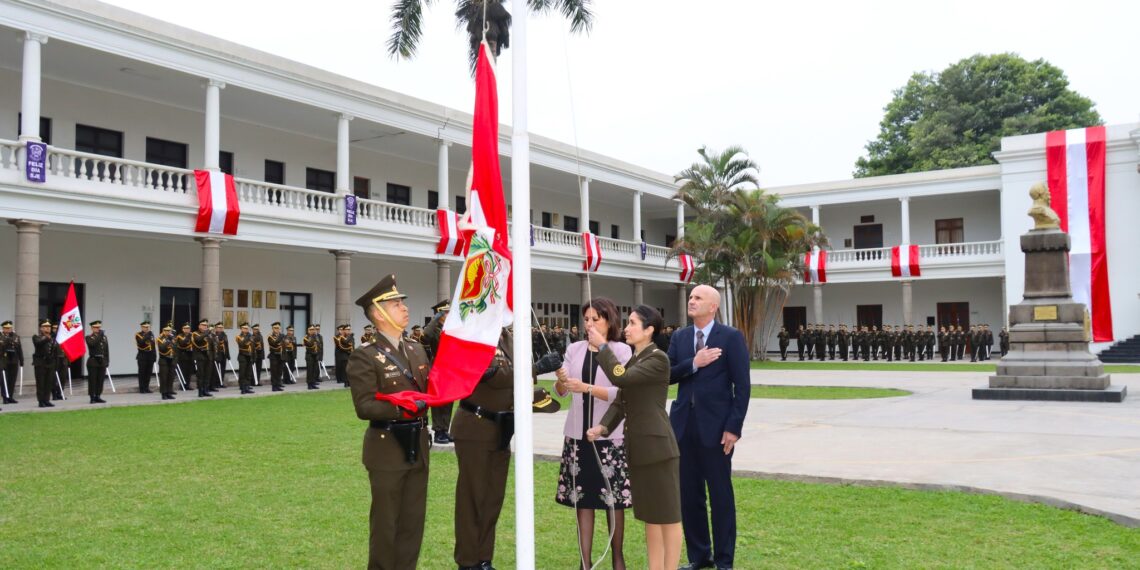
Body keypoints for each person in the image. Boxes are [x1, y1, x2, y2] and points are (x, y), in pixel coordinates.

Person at [451, 329, 562, 570]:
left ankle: (483, 558)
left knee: (493, 498)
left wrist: (533, 377)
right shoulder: (476, 334)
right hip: (475, 427)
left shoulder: (510, 337)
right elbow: (491, 376)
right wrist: (537, 368)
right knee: (472, 497)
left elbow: (513, 379)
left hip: (501, 428)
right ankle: (467, 561)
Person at [346, 274, 432, 570]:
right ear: (378, 313)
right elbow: (365, 406)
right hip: (387, 448)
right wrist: (404, 409)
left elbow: (431, 390)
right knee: (386, 525)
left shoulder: (416, 349)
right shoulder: (365, 356)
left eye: (402, 303)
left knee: (413, 522)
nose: (404, 309)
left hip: (418, 445)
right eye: (396, 304)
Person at [586, 305, 682, 570]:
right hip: (640, 447)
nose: (626, 328)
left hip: (658, 449)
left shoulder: (657, 358)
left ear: (649, 330)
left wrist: (603, 347)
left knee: (669, 516)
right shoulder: (637, 358)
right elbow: (622, 401)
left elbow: (622, 378)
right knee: (651, 515)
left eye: (632, 323)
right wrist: (603, 428)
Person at [667, 284, 750, 570]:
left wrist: (733, 427)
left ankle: (724, 561)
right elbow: (667, 374)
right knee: (690, 496)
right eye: (690, 297)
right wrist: (694, 362)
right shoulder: (680, 336)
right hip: (683, 428)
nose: (691, 301)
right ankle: (700, 557)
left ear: (713, 306)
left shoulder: (730, 337)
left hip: (717, 431)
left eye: (698, 297)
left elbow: (743, 386)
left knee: (720, 495)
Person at [554, 297, 633, 570]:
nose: (589, 324)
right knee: (582, 500)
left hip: (609, 436)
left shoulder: (620, 351)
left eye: (595, 319)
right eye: (586, 319)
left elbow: (622, 391)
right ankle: (584, 562)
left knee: (613, 502)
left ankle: (617, 559)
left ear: (609, 322)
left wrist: (587, 387)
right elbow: (562, 390)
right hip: (578, 436)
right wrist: (562, 382)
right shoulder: (574, 349)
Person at [422, 300, 454, 445]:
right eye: (445, 312)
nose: (448, 315)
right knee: (438, 400)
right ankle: (438, 431)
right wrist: (435, 318)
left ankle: (445, 429)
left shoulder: (450, 328)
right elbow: (425, 336)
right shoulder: (434, 329)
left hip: (450, 367)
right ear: (439, 314)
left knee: (448, 399)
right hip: (438, 367)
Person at [33, 319, 57, 408]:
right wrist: (47, 338)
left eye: (49, 327)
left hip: (50, 363)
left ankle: (47, 400)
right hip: (40, 363)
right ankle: (41, 401)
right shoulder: (36, 337)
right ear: (41, 328)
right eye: (45, 327)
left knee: (48, 382)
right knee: (41, 383)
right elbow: (38, 343)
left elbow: (54, 351)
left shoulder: (52, 338)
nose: (48, 328)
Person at [86, 320, 109, 404]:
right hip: (93, 361)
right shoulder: (89, 337)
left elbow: (106, 350)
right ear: (92, 328)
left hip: (102, 361)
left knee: (100, 380)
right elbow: (92, 344)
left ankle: (98, 396)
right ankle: (92, 397)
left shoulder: (104, 337)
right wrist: (100, 335)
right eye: (95, 327)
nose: (98, 329)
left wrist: (107, 361)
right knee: (93, 380)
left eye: (99, 327)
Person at [0, 320, 23, 404]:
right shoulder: (1, 336)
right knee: (4, 380)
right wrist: (7, 339)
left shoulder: (16, 336)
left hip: (13, 360)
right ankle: (5, 397)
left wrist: (21, 360)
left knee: (12, 380)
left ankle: (10, 396)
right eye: (6, 328)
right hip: (4, 361)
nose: (8, 330)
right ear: (3, 329)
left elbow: (19, 349)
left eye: (9, 328)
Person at [191, 319, 213, 397]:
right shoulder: (195, 333)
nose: (205, 327)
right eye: (203, 325)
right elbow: (198, 340)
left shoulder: (209, 334)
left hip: (208, 356)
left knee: (207, 374)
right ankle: (200, 391)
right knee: (201, 375)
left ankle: (205, 390)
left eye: (206, 325)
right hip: (200, 355)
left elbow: (212, 344)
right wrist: (207, 333)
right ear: (199, 326)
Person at [134, 321, 156, 394]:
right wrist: (147, 335)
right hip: (142, 356)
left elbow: (153, 346)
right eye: (146, 327)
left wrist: (154, 355)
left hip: (150, 356)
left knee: (148, 373)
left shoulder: (151, 335)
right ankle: (142, 388)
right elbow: (141, 343)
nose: (147, 328)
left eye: (148, 327)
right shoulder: (138, 335)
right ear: (142, 327)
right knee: (142, 373)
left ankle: (147, 387)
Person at [157, 324, 177, 399]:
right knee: (164, 378)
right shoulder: (160, 338)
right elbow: (161, 348)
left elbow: (175, 348)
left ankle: (169, 392)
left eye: (169, 331)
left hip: (171, 360)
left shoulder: (172, 338)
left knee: (170, 377)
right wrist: (168, 341)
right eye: (166, 331)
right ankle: (163, 393)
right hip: (164, 360)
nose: (168, 332)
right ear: (163, 331)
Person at [235, 322, 256, 394]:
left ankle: (247, 387)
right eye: (244, 328)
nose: (246, 329)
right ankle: (243, 388)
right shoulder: (238, 337)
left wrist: (253, 357)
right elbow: (242, 344)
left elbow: (253, 347)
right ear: (241, 329)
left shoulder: (250, 336)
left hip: (249, 356)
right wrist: (248, 338)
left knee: (248, 373)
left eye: (247, 328)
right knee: (242, 373)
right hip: (242, 356)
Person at [174, 322, 195, 389]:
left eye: (188, 328)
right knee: (183, 371)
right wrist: (188, 337)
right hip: (183, 355)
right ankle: (182, 385)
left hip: (190, 355)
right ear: (183, 329)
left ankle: (187, 385)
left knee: (189, 372)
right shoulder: (180, 336)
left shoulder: (192, 335)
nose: (187, 330)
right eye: (185, 328)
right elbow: (182, 344)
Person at [212, 322, 231, 390]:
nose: (221, 329)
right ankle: (216, 383)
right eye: (219, 327)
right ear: (216, 328)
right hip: (217, 354)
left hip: (223, 354)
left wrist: (228, 355)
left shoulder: (224, 335)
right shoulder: (214, 335)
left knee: (222, 369)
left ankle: (221, 382)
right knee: (217, 370)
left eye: (222, 328)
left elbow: (226, 345)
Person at [268, 322, 285, 391]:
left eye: (278, 328)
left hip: (280, 356)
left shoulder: (282, 336)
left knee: (279, 371)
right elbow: (274, 343)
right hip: (273, 355)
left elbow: (285, 344)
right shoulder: (270, 336)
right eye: (275, 328)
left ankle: (278, 385)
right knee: (274, 372)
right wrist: (280, 337)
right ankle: (274, 386)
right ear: (272, 329)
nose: (277, 329)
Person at [303, 324, 320, 390]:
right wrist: (313, 337)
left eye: (313, 329)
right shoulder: (306, 337)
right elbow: (309, 344)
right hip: (309, 355)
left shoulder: (316, 337)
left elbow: (318, 345)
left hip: (315, 355)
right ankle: (309, 384)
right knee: (310, 371)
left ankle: (313, 383)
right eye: (311, 329)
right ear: (308, 330)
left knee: (314, 370)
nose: (312, 331)